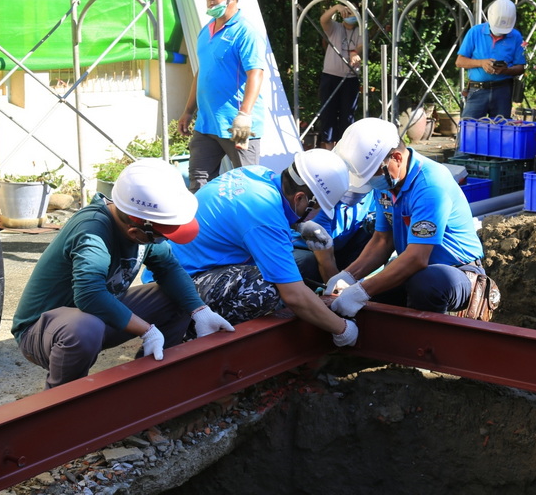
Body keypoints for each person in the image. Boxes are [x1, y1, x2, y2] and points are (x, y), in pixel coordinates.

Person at [11, 158, 234, 389]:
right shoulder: (92, 233)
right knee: (85, 328)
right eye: (162, 237)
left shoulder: (143, 224)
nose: (164, 241)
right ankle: (62, 399)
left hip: (94, 319)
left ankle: (149, 384)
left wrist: (200, 310)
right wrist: (147, 330)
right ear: (135, 231)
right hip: (45, 331)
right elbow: (89, 295)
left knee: (177, 296)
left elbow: (169, 268)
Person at [170, 148, 358, 347]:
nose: (316, 214)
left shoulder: (257, 174)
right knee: (263, 287)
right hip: (180, 287)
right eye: (317, 208)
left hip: (180, 268)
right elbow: (294, 296)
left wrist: (297, 225)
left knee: (286, 270)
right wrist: (343, 329)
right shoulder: (264, 216)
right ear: (300, 198)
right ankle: (190, 335)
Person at [327, 117, 486, 317]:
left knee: (426, 283)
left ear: (397, 158)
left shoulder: (430, 185)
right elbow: (382, 241)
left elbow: (417, 258)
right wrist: (348, 276)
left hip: (458, 272)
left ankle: (429, 335)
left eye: (372, 174)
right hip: (417, 269)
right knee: (377, 294)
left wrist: (361, 291)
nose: (370, 182)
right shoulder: (387, 183)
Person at [178, 0, 268, 192]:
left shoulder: (246, 32)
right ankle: (203, 218)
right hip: (207, 123)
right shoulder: (205, 31)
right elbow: (202, 73)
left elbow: (256, 73)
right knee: (199, 183)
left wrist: (244, 115)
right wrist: (188, 111)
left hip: (236, 125)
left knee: (247, 187)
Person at [291, 183, 375, 290]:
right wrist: (337, 291)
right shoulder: (322, 205)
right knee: (306, 262)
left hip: (339, 246)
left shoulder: (372, 194)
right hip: (308, 250)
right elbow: (326, 260)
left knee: (371, 230)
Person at [456, 0, 526, 119]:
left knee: (501, 128)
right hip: (477, 90)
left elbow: (521, 67)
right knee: (470, 127)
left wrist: (506, 70)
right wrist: (481, 63)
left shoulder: (516, 36)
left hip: (503, 90)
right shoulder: (475, 32)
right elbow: (459, 61)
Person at [317, 2, 363, 149]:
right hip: (330, 75)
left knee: (347, 116)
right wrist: (337, 7)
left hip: (350, 78)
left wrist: (355, 52)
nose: (350, 15)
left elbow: (361, 46)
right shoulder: (335, 27)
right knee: (328, 114)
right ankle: (330, 149)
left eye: (353, 12)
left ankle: (345, 149)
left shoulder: (360, 31)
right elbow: (323, 20)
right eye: (347, 12)